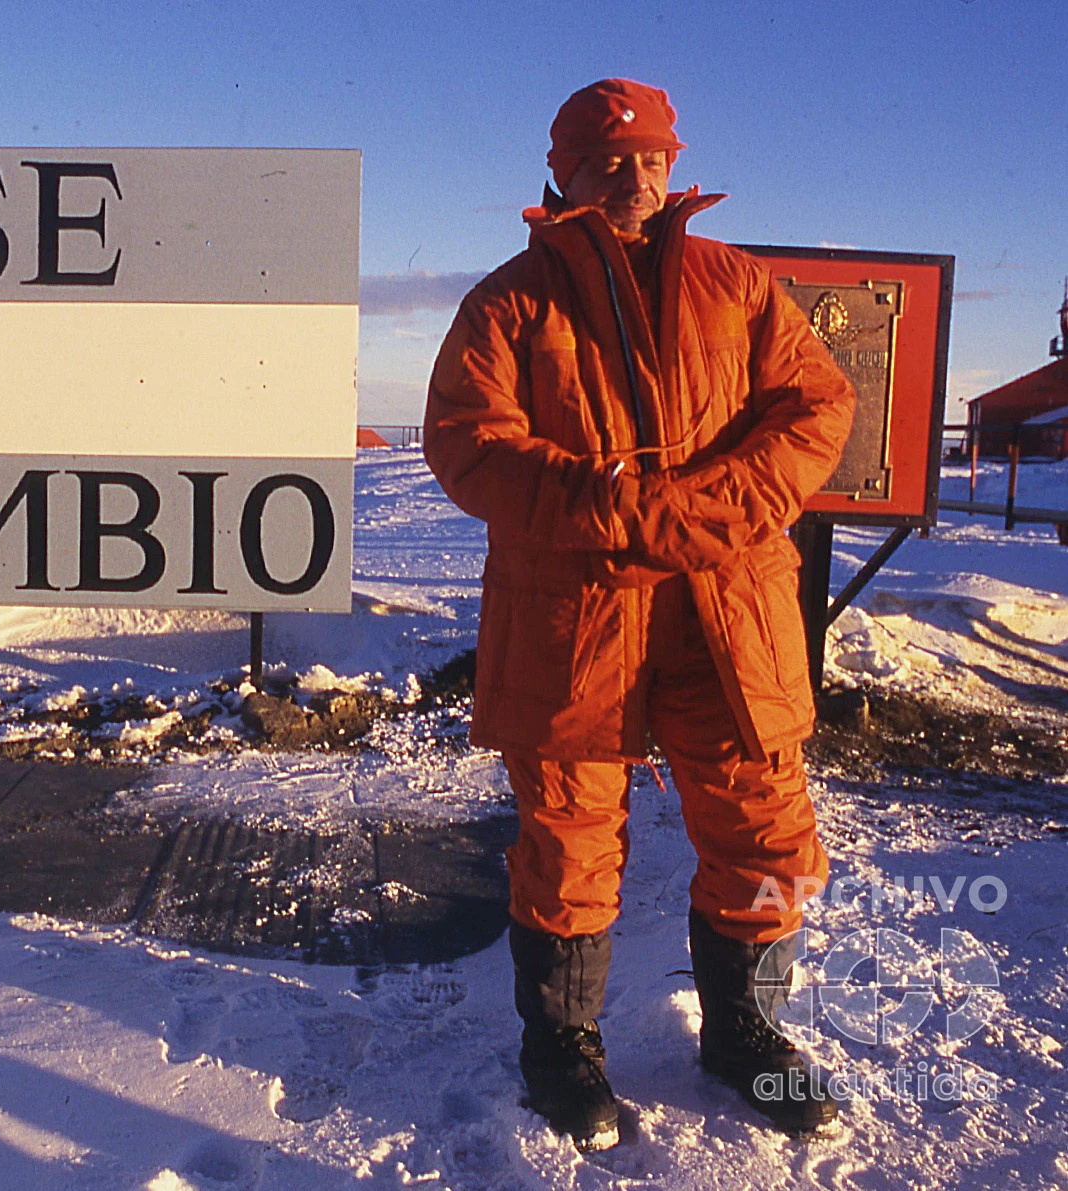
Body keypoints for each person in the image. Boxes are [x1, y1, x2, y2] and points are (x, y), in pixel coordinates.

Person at [422, 78, 855, 1150]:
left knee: (760, 821)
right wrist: (607, 505)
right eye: (607, 159)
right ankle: (560, 1046)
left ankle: (743, 1033)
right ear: (559, 172)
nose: (633, 173)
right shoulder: (508, 302)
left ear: (673, 165)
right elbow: (469, 441)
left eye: (650, 156)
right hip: (576, 616)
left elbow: (814, 411)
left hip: (726, 611)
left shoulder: (738, 286)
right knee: (566, 838)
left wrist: (705, 509)